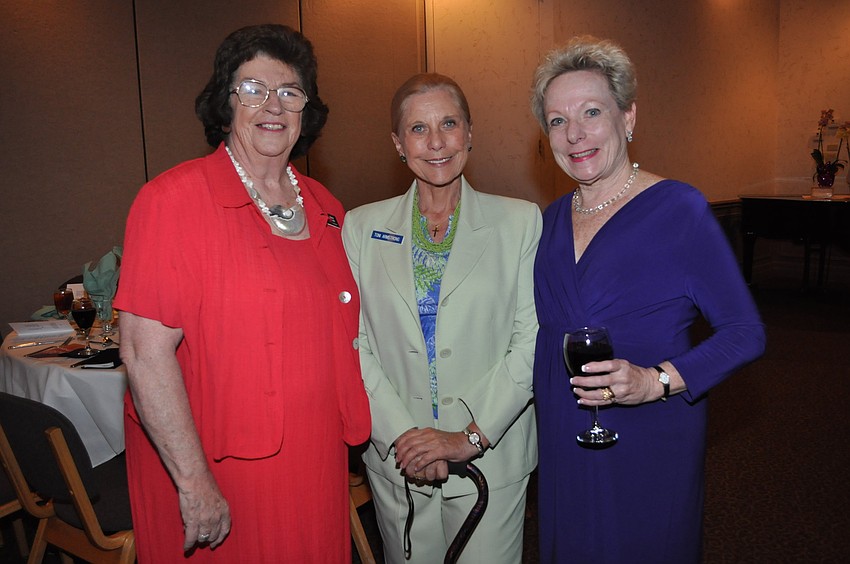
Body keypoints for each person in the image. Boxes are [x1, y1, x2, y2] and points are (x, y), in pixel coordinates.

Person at [115, 24, 370, 562]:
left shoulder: (326, 207)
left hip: (315, 460)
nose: (273, 105)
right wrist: (194, 483)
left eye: (290, 91)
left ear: (306, 111)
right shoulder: (173, 201)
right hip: (220, 471)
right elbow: (143, 353)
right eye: (253, 89)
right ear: (226, 102)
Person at [530, 36, 766, 563]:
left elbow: (745, 333)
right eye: (558, 120)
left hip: (649, 430)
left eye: (592, 112)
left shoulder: (679, 209)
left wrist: (654, 381)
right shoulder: (547, 222)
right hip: (565, 428)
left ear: (628, 117)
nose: (575, 133)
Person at [342, 73, 541, 563]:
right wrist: (403, 437)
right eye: (418, 128)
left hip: (490, 459)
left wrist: (469, 437)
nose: (435, 142)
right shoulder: (361, 227)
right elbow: (353, 343)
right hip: (398, 461)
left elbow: (531, 342)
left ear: (469, 132)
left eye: (449, 124)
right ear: (398, 143)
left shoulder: (520, 223)